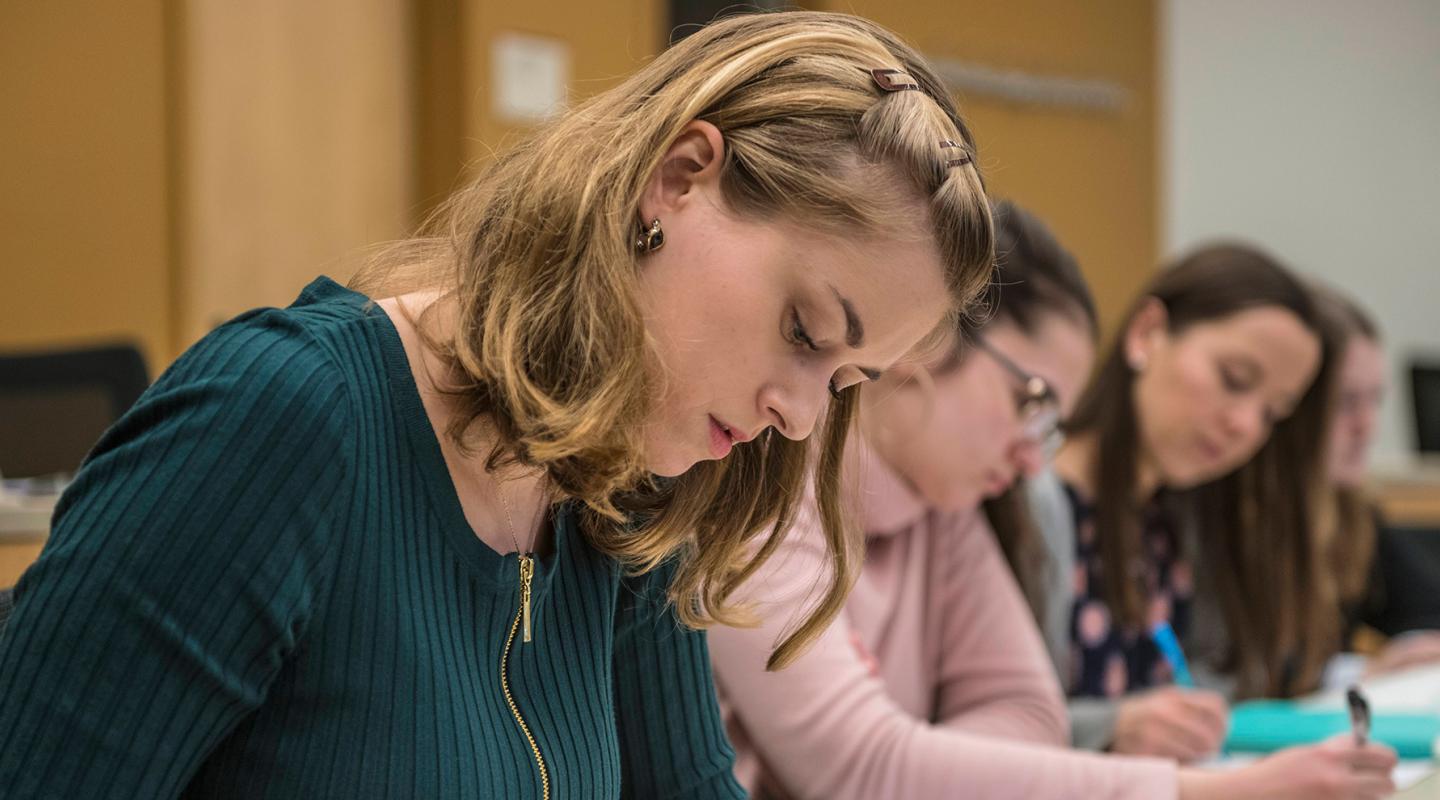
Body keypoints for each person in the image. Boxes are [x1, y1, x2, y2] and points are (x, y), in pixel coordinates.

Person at [0, 12, 997, 798]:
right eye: (804, 330)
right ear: (678, 178)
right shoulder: (283, 418)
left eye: (846, 381)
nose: (800, 417)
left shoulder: (629, 492)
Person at [709, 207, 1397, 799]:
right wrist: (1216, 790)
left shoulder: (944, 506)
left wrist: (932, 771)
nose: (1033, 456)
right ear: (926, 335)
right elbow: (863, 766)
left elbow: (1029, 714)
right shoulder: (760, 485)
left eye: (1272, 411)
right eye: (1028, 402)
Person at [1029, 243, 1341, 760]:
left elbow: (1216, 679)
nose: (1244, 425)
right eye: (1234, 379)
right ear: (1147, 332)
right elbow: (974, 724)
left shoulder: (1181, 522)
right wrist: (1110, 727)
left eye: (1272, 414)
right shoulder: (1025, 499)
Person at [1313, 286, 1440, 679]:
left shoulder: (1350, 512)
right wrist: (1361, 671)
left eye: (1375, 401)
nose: (1368, 426)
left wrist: (1412, 648)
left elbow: (1426, 609)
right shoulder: (1226, 522)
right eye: (1346, 402)